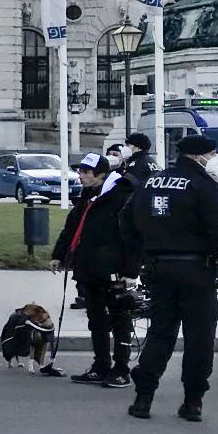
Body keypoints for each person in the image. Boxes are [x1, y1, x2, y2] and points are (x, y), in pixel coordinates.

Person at [122, 133, 218, 421]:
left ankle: (143, 399)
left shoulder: (152, 182)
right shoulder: (202, 185)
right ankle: (193, 402)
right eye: (211, 155)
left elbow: (126, 220)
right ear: (200, 156)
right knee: (199, 337)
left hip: (158, 269)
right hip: (196, 271)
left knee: (160, 334)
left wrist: (141, 254)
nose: (212, 160)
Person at [50, 154, 139, 387]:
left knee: (120, 320)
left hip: (114, 269)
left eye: (86, 172)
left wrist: (131, 271)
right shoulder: (89, 195)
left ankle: (121, 369)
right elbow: (73, 225)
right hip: (90, 267)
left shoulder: (122, 196)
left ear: (100, 174)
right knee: (96, 320)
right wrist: (59, 255)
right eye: (80, 171)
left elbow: (133, 237)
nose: (80, 175)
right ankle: (101, 365)